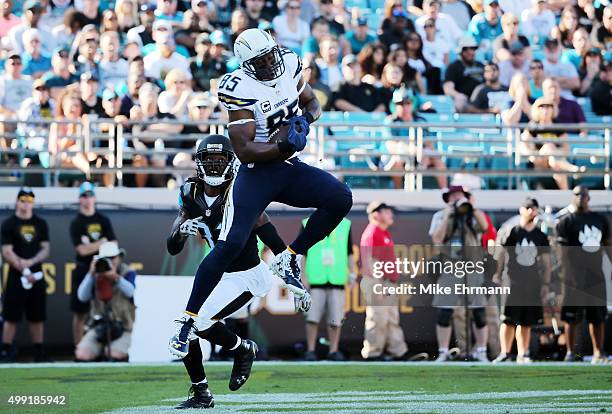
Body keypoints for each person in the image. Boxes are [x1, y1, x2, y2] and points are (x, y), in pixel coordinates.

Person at [169, 28, 352, 359]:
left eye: (270, 56)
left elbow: (312, 103)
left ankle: (288, 257)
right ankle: (187, 320)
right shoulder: (239, 87)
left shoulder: (291, 64)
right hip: (257, 173)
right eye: (261, 61)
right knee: (231, 244)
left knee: (340, 198)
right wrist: (282, 143)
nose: (269, 65)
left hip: (288, 166)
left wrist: (303, 124)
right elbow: (245, 150)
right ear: (247, 65)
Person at [167, 135, 295, 408]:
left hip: (247, 275)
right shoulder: (189, 193)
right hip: (219, 275)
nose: (214, 166)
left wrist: (289, 271)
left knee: (194, 324)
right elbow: (172, 246)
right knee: (188, 327)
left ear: (230, 162)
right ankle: (204, 390)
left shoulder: (240, 191)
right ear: (199, 163)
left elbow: (269, 234)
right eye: (209, 160)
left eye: (220, 160)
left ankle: (241, 350)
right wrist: (181, 232)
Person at [429, 186, 490, 362]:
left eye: (459, 195)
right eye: (452, 196)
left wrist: (472, 207)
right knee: (444, 312)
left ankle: (481, 351)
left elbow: (484, 227)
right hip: (450, 267)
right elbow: (437, 238)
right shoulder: (440, 215)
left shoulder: (472, 213)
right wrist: (449, 215)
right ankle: (443, 352)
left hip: (472, 267)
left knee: (478, 312)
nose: (456, 198)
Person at [492, 197, 551, 364]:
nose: (532, 211)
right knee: (508, 319)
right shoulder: (513, 231)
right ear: (521, 210)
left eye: (534, 208)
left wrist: (546, 284)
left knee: (527, 321)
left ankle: (523, 353)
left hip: (532, 282)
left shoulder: (540, 236)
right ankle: (505, 352)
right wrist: (497, 273)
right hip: (512, 280)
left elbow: (546, 262)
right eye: (529, 208)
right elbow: (501, 254)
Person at [557, 186, 610, 364]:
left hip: (595, 275)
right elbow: (562, 252)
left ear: (589, 198)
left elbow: (608, 245)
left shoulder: (600, 219)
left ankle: (598, 352)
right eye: (577, 194)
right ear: (573, 197)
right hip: (574, 276)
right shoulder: (566, 221)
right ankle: (571, 353)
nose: (580, 197)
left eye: (583, 195)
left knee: (597, 316)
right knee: (571, 317)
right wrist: (566, 273)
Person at [0, 188, 50, 362]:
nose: (25, 203)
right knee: (11, 315)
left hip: (36, 273)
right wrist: (23, 267)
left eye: (29, 200)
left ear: (33, 203)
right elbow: (6, 251)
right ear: (16, 202)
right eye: (22, 200)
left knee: (37, 315)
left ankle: (39, 351)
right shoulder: (8, 224)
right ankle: (5, 350)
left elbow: (45, 249)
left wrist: (32, 262)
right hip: (16, 274)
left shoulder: (40, 223)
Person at [69, 182, 117, 346]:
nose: (87, 199)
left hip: (103, 270)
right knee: (80, 311)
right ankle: (78, 349)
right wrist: (101, 242)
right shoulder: (76, 222)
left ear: (94, 198)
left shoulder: (103, 220)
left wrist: (90, 244)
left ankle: (101, 350)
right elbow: (81, 251)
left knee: (104, 311)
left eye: (90, 195)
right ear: (79, 199)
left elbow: (114, 245)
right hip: (84, 269)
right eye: (84, 196)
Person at [302, 216, 356, 361]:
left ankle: (333, 350)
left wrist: (352, 274)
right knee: (312, 318)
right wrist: (303, 277)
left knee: (335, 319)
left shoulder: (345, 224)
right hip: (315, 279)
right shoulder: (308, 222)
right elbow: (303, 252)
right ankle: (311, 350)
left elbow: (349, 251)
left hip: (336, 279)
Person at [360, 201, 408, 360]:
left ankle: (398, 351)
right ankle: (372, 353)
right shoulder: (373, 232)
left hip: (388, 283)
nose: (390, 214)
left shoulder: (383, 232)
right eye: (386, 212)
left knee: (392, 319)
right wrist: (379, 285)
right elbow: (371, 261)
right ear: (376, 215)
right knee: (378, 319)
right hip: (378, 282)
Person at [74, 241, 136, 362]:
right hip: (97, 327)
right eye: (106, 258)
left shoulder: (127, 272)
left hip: (122, 327)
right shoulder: (96, 272)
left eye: (113, 257)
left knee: (114, 355)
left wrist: (115, 278)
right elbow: (82, 296)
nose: (110, 261)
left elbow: (130, 291)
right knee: (82, 354)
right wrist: (91, 274)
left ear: (119, 257)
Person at [520, 97, 583, 190]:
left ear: (553, 109)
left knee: (556, 164)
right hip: (538, 161)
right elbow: (523, 145)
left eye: (549, 106)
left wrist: (558, 153)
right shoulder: (533, 126)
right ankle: (572, 169)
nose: (545, 110)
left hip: (555, 162)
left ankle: (565, 195)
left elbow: (566, 147)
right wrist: (532, 155)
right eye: (542, 107)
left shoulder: (557, 126)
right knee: (549, 146)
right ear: (537, 109)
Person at [443, 36, 485, 112]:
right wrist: (457, 95)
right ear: (460, 51)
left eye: (472, 48)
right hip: (465, 102)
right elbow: (447, 88)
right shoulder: (454, 67)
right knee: (460, 104)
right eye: (465, 49)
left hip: (482, 99)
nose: (470, 52)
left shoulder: (481, 66)